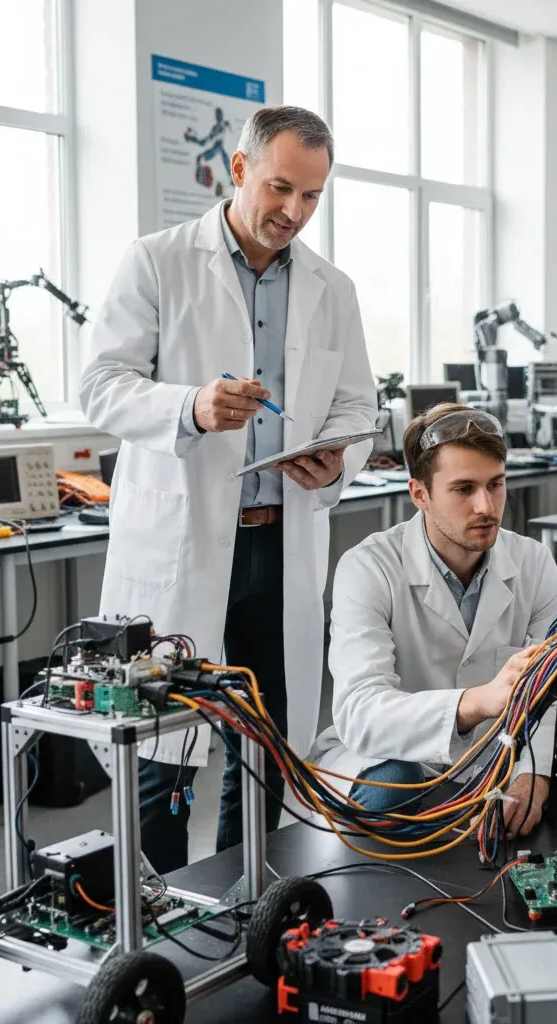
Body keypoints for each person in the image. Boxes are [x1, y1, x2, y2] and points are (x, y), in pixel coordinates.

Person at [80, 106, 376, 872]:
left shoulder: (330, 286)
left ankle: (250, 899)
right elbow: (102, 386)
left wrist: (337, 459)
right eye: (281, 188)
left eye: (312, 197)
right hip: (181, 544)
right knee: (163, 743)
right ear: (239, 170)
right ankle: (156, 919)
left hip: (284, 539)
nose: (294, 212)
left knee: (266, 741)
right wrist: (190, 406)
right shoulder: (157, 261)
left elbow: (358, 404)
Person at [309, 403, 557, 836]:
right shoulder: (368, 567)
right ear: (420, 494)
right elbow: (359, 712)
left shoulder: (533, 562)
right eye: (463, 489)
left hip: (495, 760)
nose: (486, 506)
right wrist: (478, 702)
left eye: (496, 484)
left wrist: (534, 774)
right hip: (392, 761)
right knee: (396, 789)